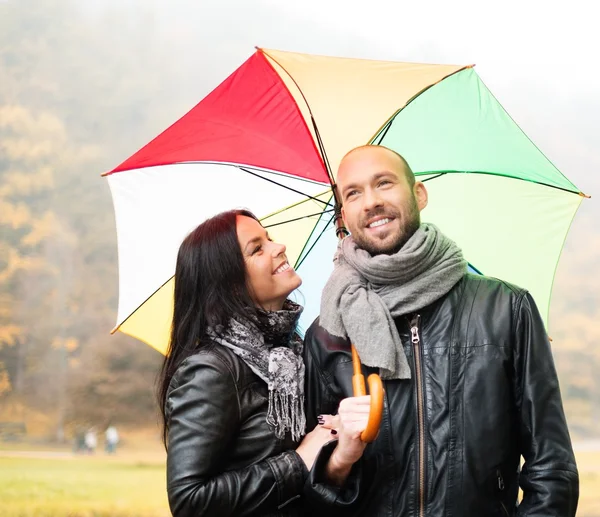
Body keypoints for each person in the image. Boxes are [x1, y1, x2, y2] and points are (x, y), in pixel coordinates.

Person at [302, 145, 579, 516]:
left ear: (419, 194)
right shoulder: (328, 333)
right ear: (344, 215)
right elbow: (312, 490)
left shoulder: (504, 307)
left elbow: (552, 466)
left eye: (384, 183)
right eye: (353, 193)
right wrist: (340, 459)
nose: (370, 202)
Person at [157, 209, 335, 517]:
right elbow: (189, 501)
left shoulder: (295, 353)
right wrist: (299, 461)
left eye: (269, 238)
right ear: (230, 283)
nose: (278, 247)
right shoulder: (211, 371)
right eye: (257, 249)